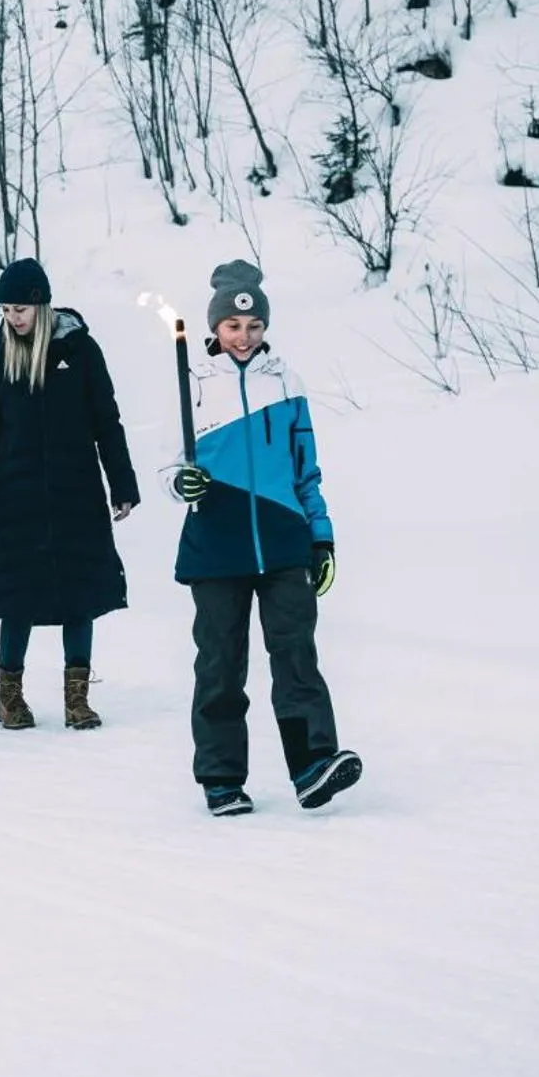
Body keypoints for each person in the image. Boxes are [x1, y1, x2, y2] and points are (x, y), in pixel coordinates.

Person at [169, 261, 362, 816]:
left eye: (253, 326)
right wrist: (178, 483)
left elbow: (307, 471)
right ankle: (222, 777)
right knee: (221, 663)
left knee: (297, 655)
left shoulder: (287, 382)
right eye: (232, 325)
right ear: (215, 328)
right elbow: (167, 466)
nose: (243, 336)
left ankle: (312, 765)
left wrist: (320, 537)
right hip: (216, 544)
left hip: (283, 541)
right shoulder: (193, 385)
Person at [0, 258, 140, 732]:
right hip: (18, 496)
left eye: (21, 308)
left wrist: (123, 484)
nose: (13, 317)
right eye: (7, 309)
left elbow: (106, 422)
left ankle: (77, 697)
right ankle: (9, 696)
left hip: (77, 492)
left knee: (80, 593)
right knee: (18, 596)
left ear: (42, 304)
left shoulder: (80, 352)